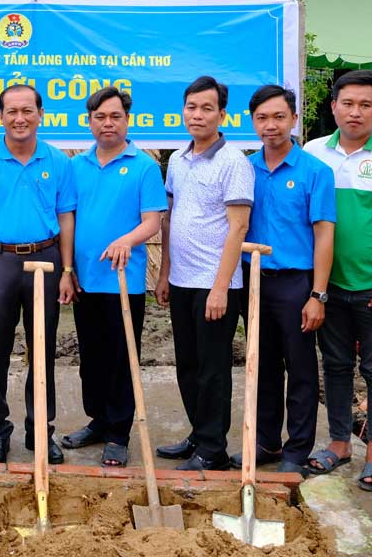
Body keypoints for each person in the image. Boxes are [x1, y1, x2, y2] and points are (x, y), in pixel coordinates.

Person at [303, 70, 372, 490]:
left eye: (365, 104)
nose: (355, 112)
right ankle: (338, 443)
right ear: (333, 106)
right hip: (328, 287)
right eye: (347, 103)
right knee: (334, 366)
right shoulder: (314, 153)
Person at [0, 83, 76, 465]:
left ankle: (41, 431)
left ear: (41, 114)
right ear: (1, 116)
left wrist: (67, 269)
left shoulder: (58, 162)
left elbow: (65, 217)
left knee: (42, 352)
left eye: (28, 110)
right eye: (12, 111)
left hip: (46, 259)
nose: (20, 118)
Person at [61, 87, 166, 467]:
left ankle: (119, 434)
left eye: (115, 116)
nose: (108, 123)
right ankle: (99, 421)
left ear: (127, 119)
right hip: (86, 279)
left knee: (122, 357)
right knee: (91, 356)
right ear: (89, 122)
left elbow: (152, 220)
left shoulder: (143, 166)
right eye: (100, 117)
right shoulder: (76, 166)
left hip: (123, 281)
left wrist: (127, 240)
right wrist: (68, 271)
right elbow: (68, 218)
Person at [154, 76, 254, 471]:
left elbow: (239, 228)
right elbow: (170, 218)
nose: (197, 115)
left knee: (213, 370)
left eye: (206, 108)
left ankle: (212, 449)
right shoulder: (177, 159)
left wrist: (220, 288)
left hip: (216, 285)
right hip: (181, 281)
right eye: (191, 107)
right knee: (188, 364)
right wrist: (164, 274)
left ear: (222, 114)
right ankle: (198, 434)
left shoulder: (235, 162)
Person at [238, 85, 335, 476]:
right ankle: (265, 440)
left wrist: (318, 294)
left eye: (279, 117)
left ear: (294, 119)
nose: (270, 125)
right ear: (252, 122)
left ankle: (298, 448)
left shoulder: (315, 172)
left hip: (296, 283)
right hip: (253, 280)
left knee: (300, 367)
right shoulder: (245, 168)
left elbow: (325, 234)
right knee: (260, 364)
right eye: (262, 118)